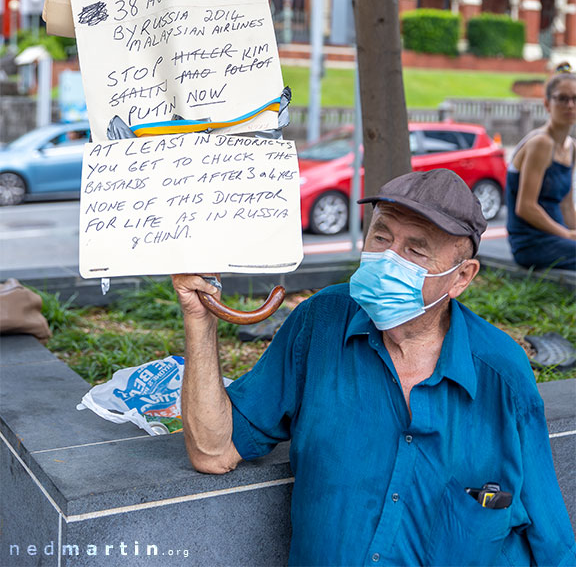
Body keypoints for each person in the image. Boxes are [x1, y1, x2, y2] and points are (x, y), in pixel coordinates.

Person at [172, 169, 576, 566]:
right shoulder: (321, 323)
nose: (388, 258)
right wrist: (199, 319)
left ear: (461, 277)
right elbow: (213, 450)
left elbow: (551, 537)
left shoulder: (501, 373)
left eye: (416, 250)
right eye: (381, 236)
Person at [506, 63, 576, 270]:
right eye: (562, 98)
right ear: (547, 104)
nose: (570, 105)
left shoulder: (572, 147)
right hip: (532, 243)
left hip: (558, 238)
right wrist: (567, 234)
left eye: (575, 98)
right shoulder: (540, 143)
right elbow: (525, 206)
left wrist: (572, 232)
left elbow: (565, 205)